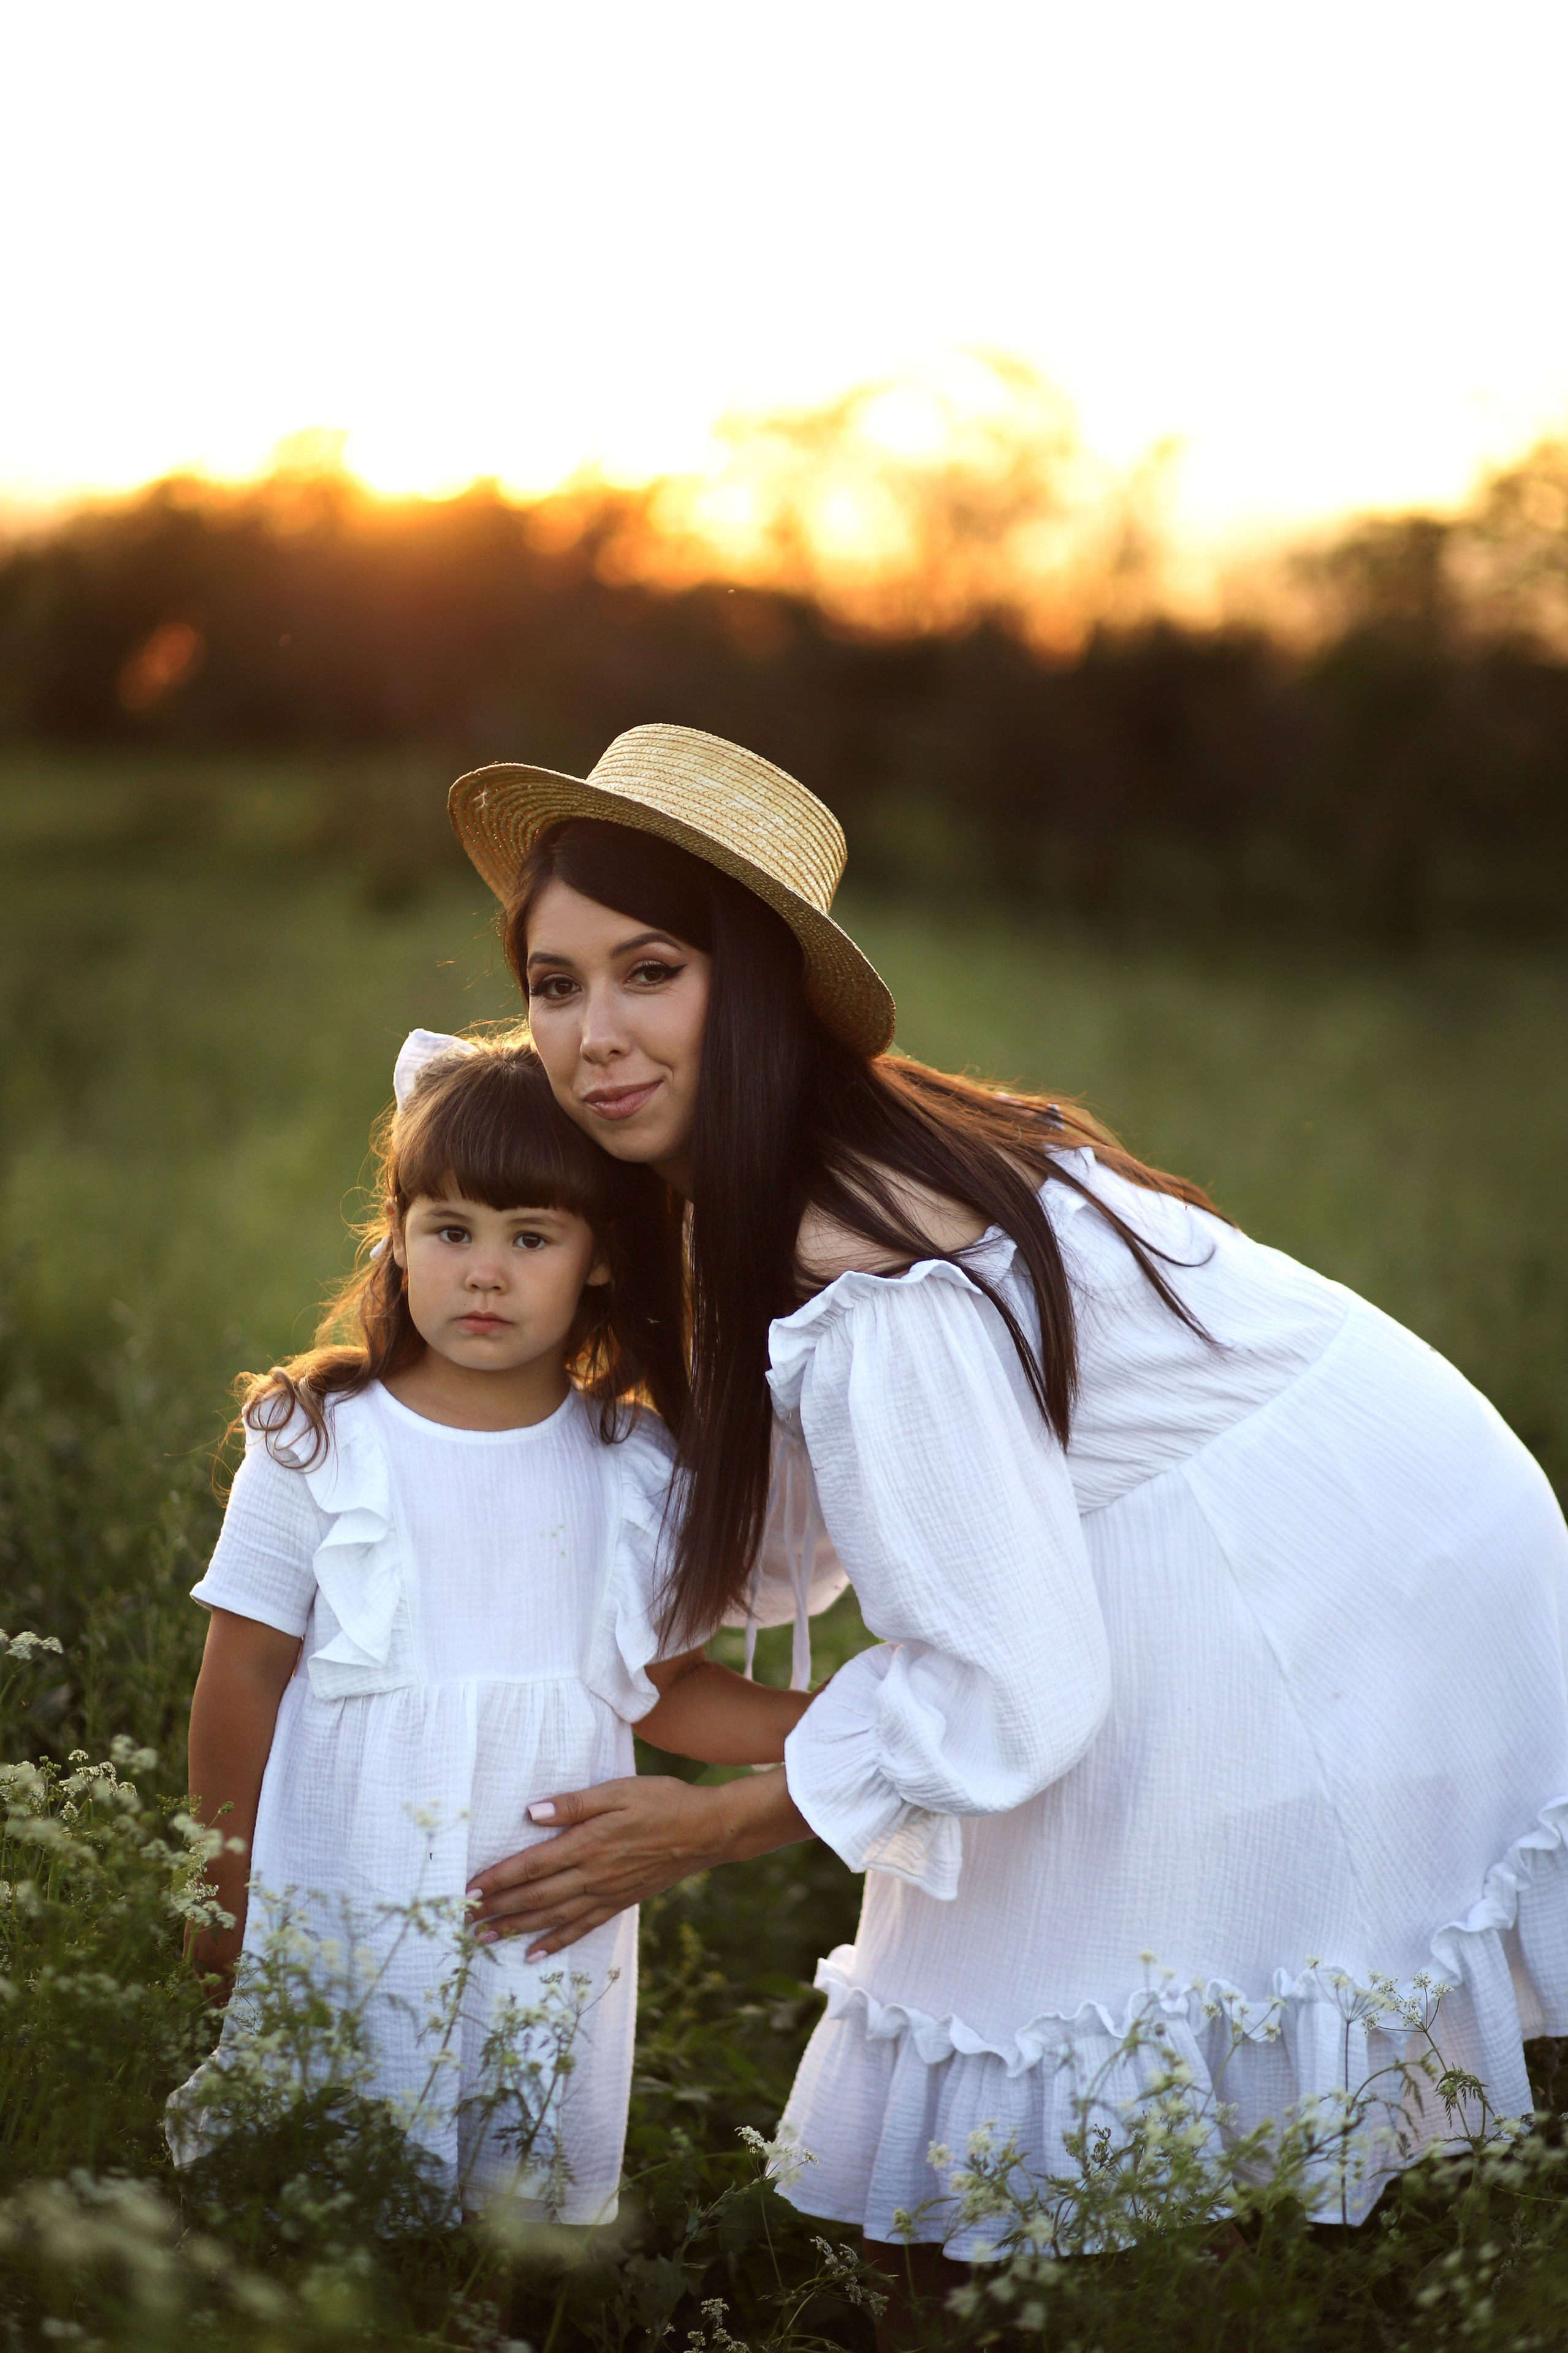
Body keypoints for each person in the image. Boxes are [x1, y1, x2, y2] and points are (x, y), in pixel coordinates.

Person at [447, 724, 1568, 2292]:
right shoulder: (777, 1183)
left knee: (1066, 2026)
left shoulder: (875, 1259)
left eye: (650, 972)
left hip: (1316, 1550)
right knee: (1052, 2028)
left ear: (754, 987)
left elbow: (1015, 1685)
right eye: (554, 986)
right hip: (1290, 1495)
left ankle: (1252, 2295)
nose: (590, 1036)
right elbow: (778, 1536)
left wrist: (704, 1830)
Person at [175, 1028, 810, 2222]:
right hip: (347, 1878)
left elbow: (661, 1688)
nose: (483, 1273)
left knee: (508, 2210)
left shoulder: (631, 1463)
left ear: (602, 1260)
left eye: (530, 1239)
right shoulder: (319, 1437)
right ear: (398, 1235)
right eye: (450, 1231)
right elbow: (245, 1671)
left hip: (542, 1904)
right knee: (324, 2195)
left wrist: (840, 1724)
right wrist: (223, 1882)